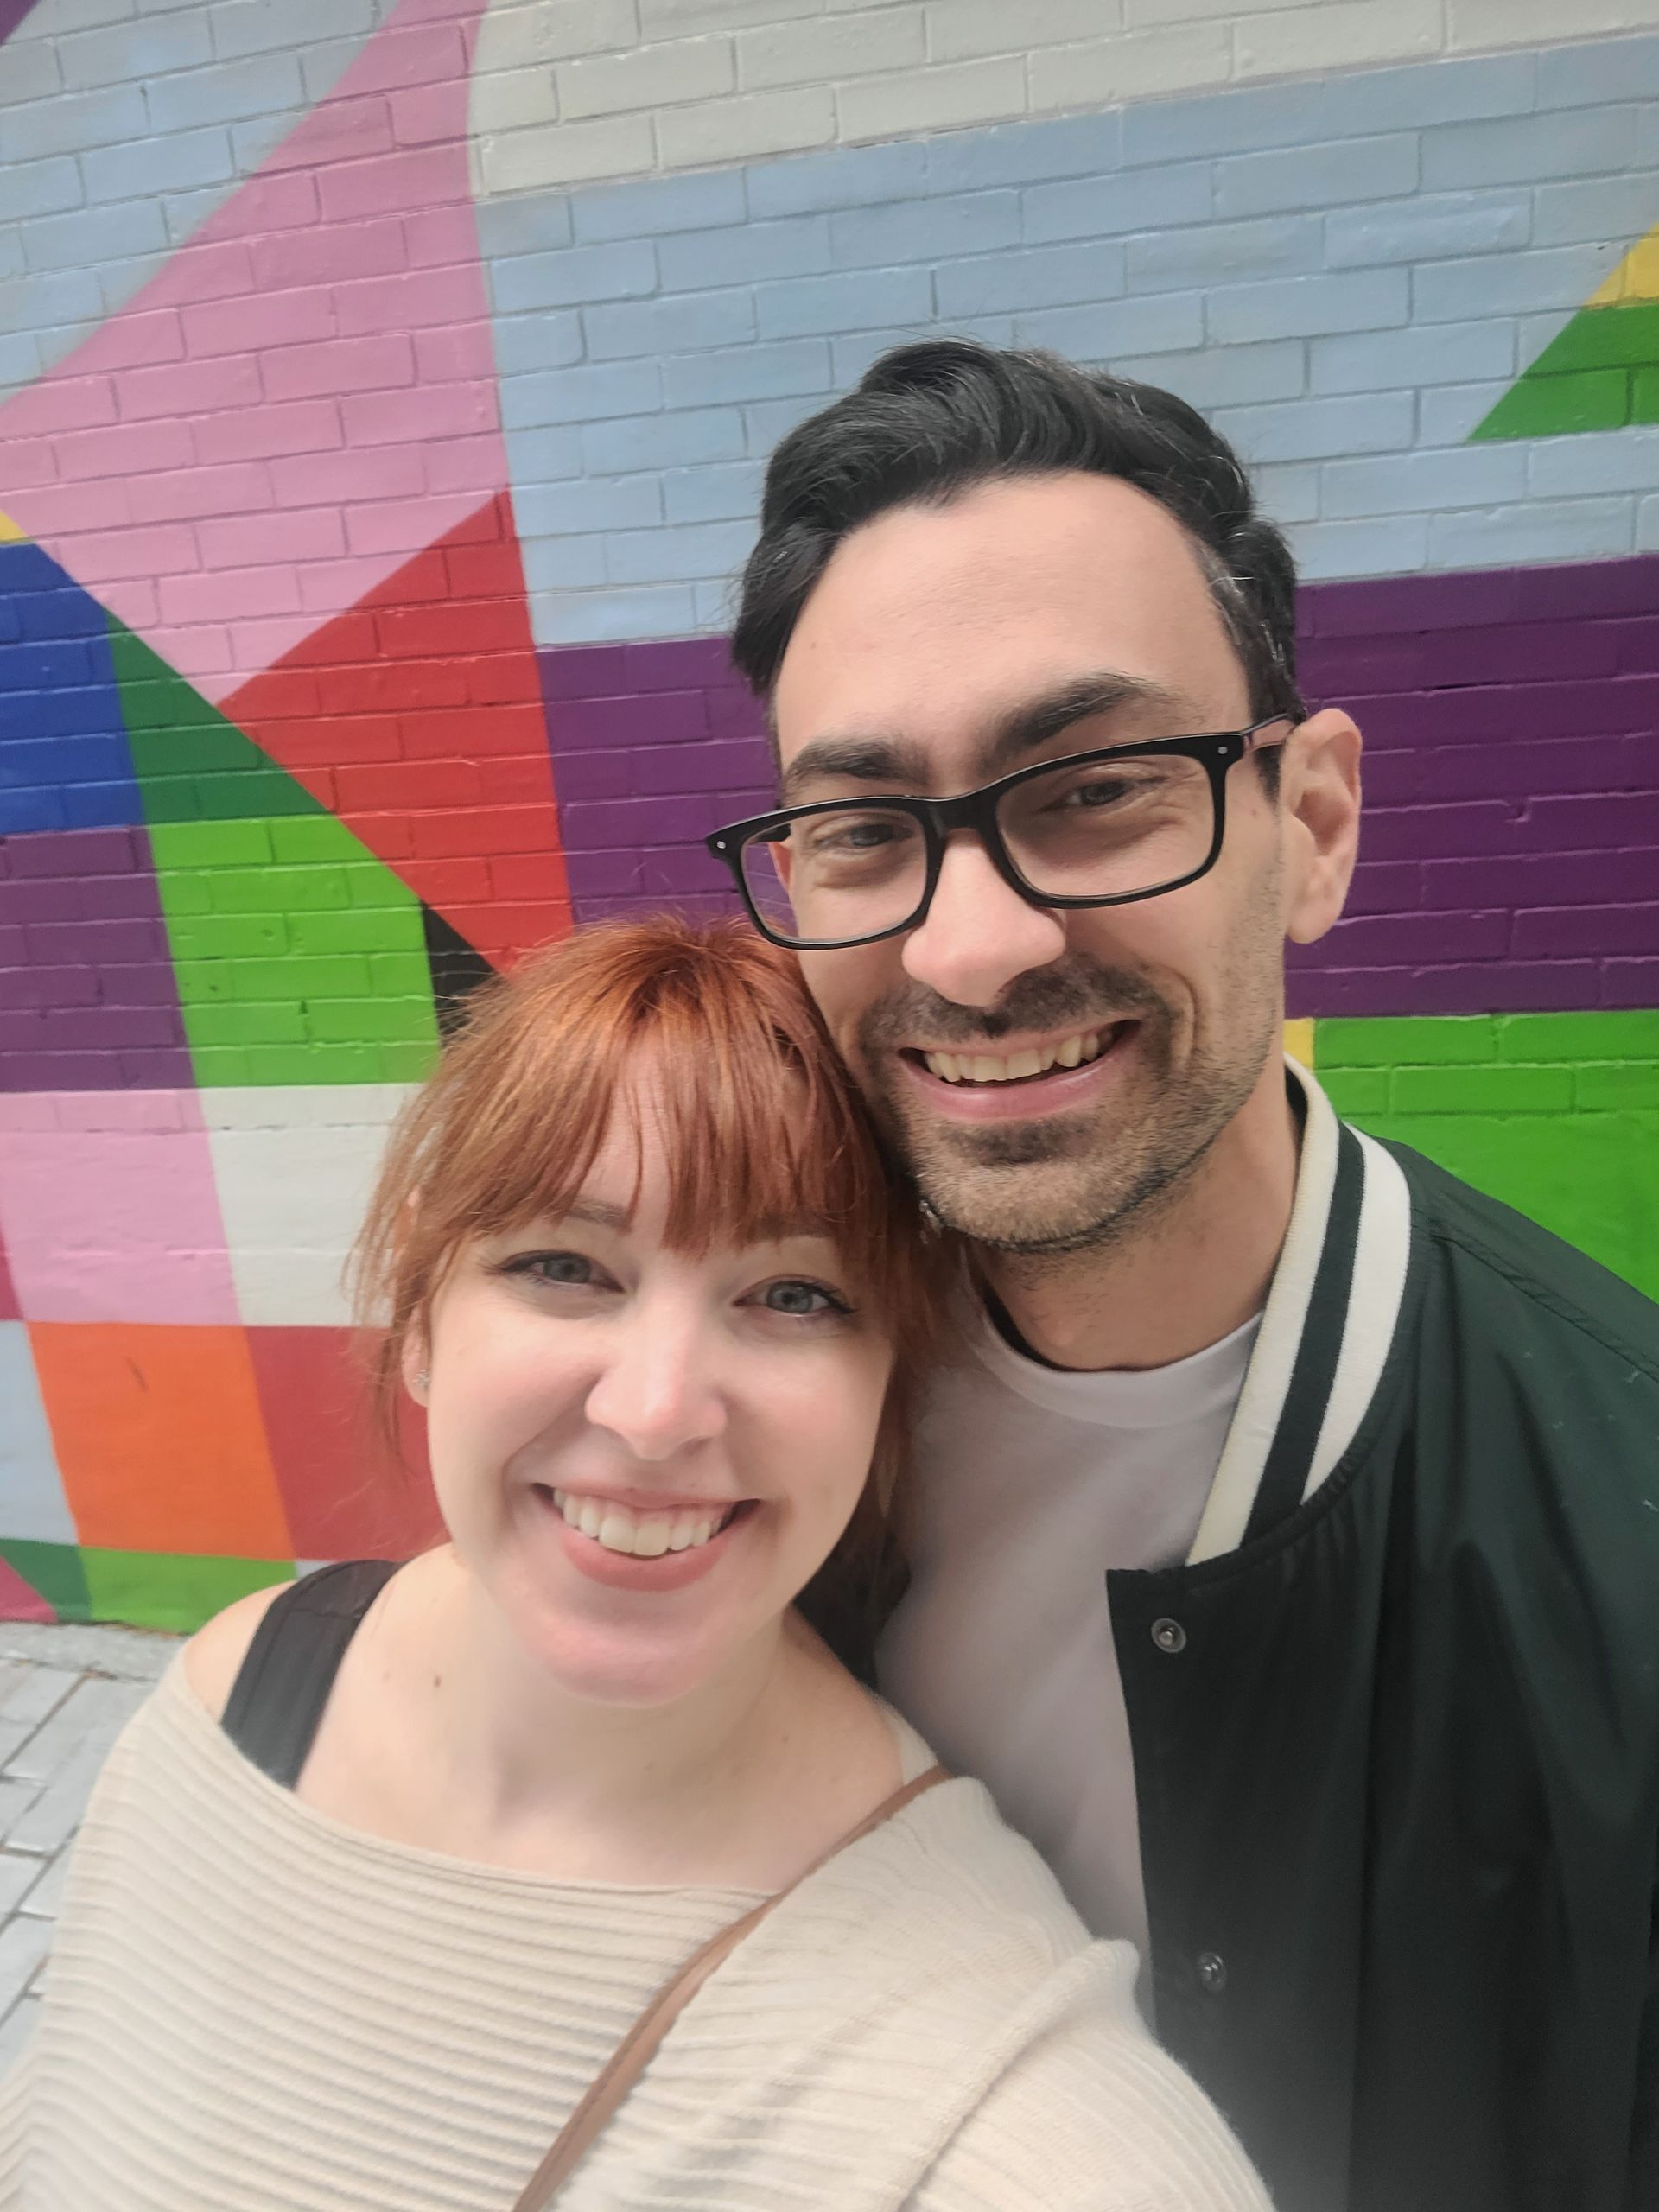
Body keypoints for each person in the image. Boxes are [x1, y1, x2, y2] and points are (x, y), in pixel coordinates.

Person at [708, 339, 1659, 2212]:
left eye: (1099, 787)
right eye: (863, 831)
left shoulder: (1618, 1530)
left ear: (1309, 825)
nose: (971, 950)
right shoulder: (737, 1379)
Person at [0, 917, 1270, 2212]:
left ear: (890, 1388)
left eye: (794, 1295)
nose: (656, 1411)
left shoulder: (990, 2094)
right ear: (424, 1321)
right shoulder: (244, 1693)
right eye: (563, 1266)